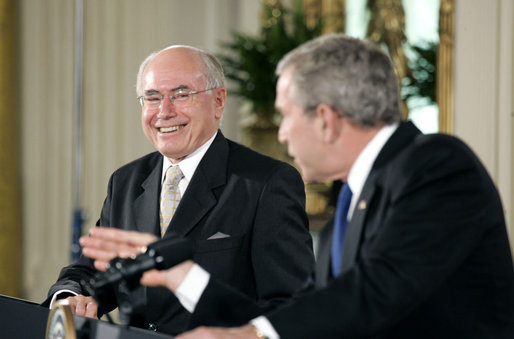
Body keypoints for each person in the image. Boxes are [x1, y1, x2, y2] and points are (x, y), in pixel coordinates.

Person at [137, 34, 514, 338]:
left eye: (285, 115)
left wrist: (253, 335)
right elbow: (300, 315)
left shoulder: (438, 166)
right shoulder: (347, 205)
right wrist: (185, 279)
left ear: (326, 120)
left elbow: (375, 292)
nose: (281, 134)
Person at [43, 45, 315, 335]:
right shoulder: (126, 181)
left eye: (181, 95)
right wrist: (70, 297)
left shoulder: (267, 183)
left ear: (219, 101)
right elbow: (94, 271)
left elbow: (293, 308)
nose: (164, 111)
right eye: (152, 97)